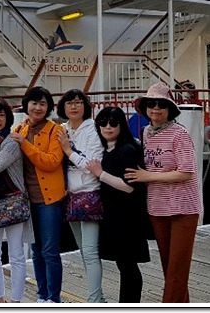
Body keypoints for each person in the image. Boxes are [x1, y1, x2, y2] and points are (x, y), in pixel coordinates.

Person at [125, 82, 202, 303]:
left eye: (161, 104)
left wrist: (148, 176)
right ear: (145, 108)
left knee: (177, 269)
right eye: (151, 104)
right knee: (169, 268)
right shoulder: (146, 133)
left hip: (183, 207)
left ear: (170, 109)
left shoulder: (180, 134)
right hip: (158, 207)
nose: (156, 108)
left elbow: (186, 172)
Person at [86, 106, 151, 303]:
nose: (108, 127)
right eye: (103, 122)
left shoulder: (127, 150)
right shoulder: (107, 149)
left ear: (122, 125)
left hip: (127, 216)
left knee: (128, 264)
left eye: (113, 123)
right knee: (124, 264)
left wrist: (100, 174)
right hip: (113, 213)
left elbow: (129, 186)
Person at [8, 86, 65, 303]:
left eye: (43, 104)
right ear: (26, 105)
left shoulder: (55, 130)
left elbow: (51, 162)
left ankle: (54, 298)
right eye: (34, 103)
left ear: (49, 107)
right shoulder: (20, 128)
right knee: (36, 249)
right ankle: (42, 295)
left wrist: (25, 145)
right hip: (26, 199)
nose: (38, 108)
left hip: (49, 199)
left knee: (50, 250)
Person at [0, 97, 33, 303]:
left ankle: (16, 301)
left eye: (1, 115)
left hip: (14, 201)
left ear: (7, 118)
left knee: (16, 254)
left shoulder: (11, 141)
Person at [56, 89, 105, 303]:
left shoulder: (93, 129)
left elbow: (92, 165)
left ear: (85, 106)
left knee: (91, 251)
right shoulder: (62, 129)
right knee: (84, 251)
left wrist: (68, 151)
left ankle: (94, 301)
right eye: (69, 103)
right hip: (70, 196)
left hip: (90, 193)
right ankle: (99, 297)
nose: (74, 106)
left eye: (78, 102)